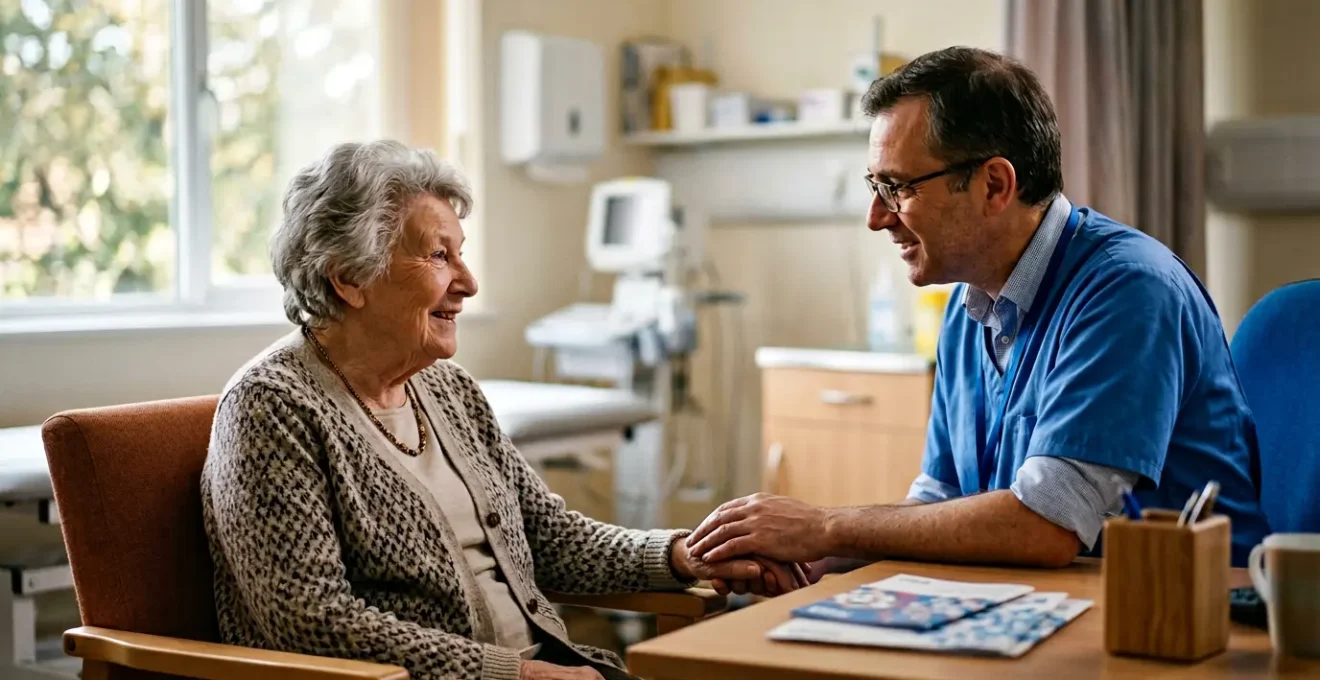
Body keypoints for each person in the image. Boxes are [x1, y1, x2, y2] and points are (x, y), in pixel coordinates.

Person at [201, 141, 805, 680]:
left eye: (460, 254)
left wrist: (680, 554)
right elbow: (310, 622)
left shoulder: (448, 389)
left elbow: (548, 538)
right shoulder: (270, 409)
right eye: (440, 256)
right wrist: (514, 673)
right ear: (348, 280)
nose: (468, 282)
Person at [686, 47, 1270, 578]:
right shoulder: (971, 307)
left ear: (994, 185)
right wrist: (813, 560)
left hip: (1179, 621)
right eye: (875, 185)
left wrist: (825, 525)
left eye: (898, 188)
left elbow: (1046, 525)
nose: (877, 216)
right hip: (1037, 602)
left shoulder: (1127, 290)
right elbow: (939, 505)